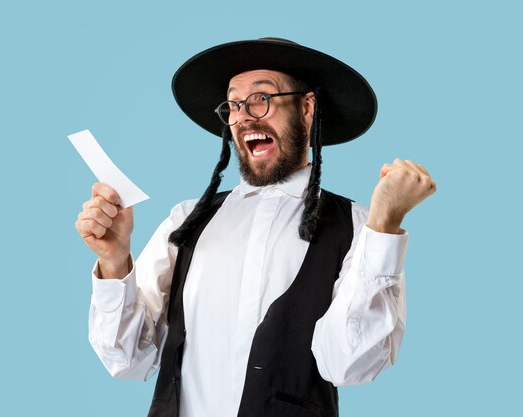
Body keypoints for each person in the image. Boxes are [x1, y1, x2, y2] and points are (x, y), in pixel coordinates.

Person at [75, 38, 436, 417]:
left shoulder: (359, 226)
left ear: (307, 107)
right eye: (233, 105)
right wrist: (115, 261)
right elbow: (129, 360)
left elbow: (348, 364)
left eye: (261, 98)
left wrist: (384, 226)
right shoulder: (187, 221)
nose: (244, 116)